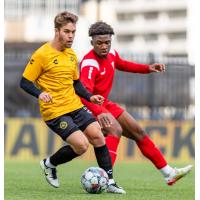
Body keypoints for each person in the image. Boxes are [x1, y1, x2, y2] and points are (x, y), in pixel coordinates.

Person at [20, 12, 126, 194]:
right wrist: (40, 94)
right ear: (57, 31)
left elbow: (76, 83)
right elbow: (24, 82)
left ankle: (110, 182)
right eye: (67, 32)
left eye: (73, 32)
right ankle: (49, 164)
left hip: (75, 105)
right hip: (54, 111)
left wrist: (90, 96)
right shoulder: (42, 54)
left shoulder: (70, 55)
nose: (71, 36)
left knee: (98, 136)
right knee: (82, 145)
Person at [79, 21, 192, 187]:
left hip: (105, 104)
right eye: (99, 43)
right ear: (92, 43)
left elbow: (124, 65)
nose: (104, 46)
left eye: (107, 42)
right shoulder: (90, 64)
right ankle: (108, 180)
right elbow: (83, 94)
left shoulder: (112, 55)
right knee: (115, 130)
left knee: (138, 132)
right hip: (91, 106)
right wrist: (98, 110)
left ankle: (169, 173)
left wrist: (148, 68)